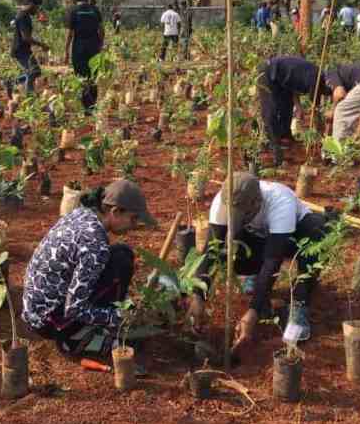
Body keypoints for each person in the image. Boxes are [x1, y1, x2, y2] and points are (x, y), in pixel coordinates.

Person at [187, 173, 333, 351]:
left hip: (291, 237)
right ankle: (255, 280)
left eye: (243, 214)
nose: (236, 217)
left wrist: (252, 312)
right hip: (258, 237)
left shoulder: (281, 202)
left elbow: (273, 261)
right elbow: (211, 251)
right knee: (230, 246)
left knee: (316, 230)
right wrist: (198, 296)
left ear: (257, 203)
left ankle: (299, 305)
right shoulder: (222, 201)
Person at [22, 180, 156, 356]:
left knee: (121, 254)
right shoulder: (94, 243)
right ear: (115, 212)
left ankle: (92, 327)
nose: (134, 226)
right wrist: (118, 317)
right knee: (121, 261)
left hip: (35, 311)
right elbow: (74, 309)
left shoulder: (81, 214)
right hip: (50, 321)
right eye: (133, 218)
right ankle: (75, 338)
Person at [258, 56, 326, 165]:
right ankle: (274, 146)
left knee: (287, 106)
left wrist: (298, 107)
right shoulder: (317, 81)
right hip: (269, 71)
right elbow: (315, 109)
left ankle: (285, 137)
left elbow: (293, 85)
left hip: (281, 79)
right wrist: (320, 132)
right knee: (270, 111)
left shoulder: (313, 75)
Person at [64, 0, 104, 112]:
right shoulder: (95, 10)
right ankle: (91, 106)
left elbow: (70, 34)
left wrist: (66, 50)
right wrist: (100, 45)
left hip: (79, 48)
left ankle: (84, 105)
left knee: (81, 75)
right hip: (94, 47)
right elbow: (102, 31)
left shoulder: (74, 11)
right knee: (93, 75)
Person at [10, 0, 48, 95]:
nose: (37, 10)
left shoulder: (25, 15)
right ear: (31, 4)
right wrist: (41, 44)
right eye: (37, 7)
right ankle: (29, 95)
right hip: (20, 50)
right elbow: (26, 37)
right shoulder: (22, 16)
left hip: (24, 49)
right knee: (34, 71)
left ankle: (11, 83)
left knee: (35, 71)